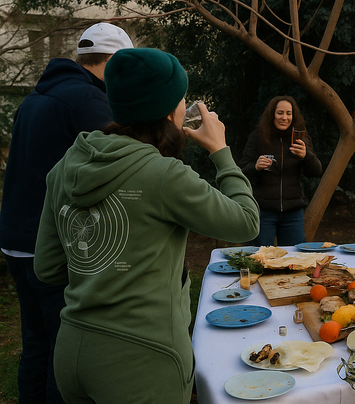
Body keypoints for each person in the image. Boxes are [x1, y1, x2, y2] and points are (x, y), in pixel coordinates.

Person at [33, 48, 260, 403]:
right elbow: (246, 221)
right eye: (182, 99)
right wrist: (221, 151)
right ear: (169, 110)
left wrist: (104, 269)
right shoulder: (164, 175)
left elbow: (47, 268)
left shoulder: (66, 166)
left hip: (73, 350)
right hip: (142, 359)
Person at [0, 22, 133, 403]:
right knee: (64, 350)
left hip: (16, 239)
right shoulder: (88, 100)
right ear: (112, 62)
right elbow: (122, 163)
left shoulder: (37, 96)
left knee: (35, 343)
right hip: (52, 245)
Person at [238, 96, 322, 246]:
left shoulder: (299, 139)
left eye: (289, 113)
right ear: (272, 115)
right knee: (260, 258)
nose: (284, 117)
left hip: (293, 212)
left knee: (294, 260)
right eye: (280, 113)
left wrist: (306, 156)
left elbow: (316, 171)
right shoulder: (257, 137)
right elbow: (242, 170)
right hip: (263, 211)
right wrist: (256, 166)